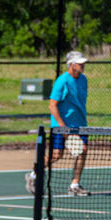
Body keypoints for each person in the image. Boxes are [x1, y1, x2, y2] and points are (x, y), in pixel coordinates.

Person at [25, 50, 91, 197]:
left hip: (80, 124)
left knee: (82, 151)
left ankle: (74, 185)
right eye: (79, 63)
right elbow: (52, 105)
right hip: (61, 126)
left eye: (83, 63)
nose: (82, 66)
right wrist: (62, 126)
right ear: (71, 64)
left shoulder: (83, 79)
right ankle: (34, 174)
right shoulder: (61, 81)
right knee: (56, 155)